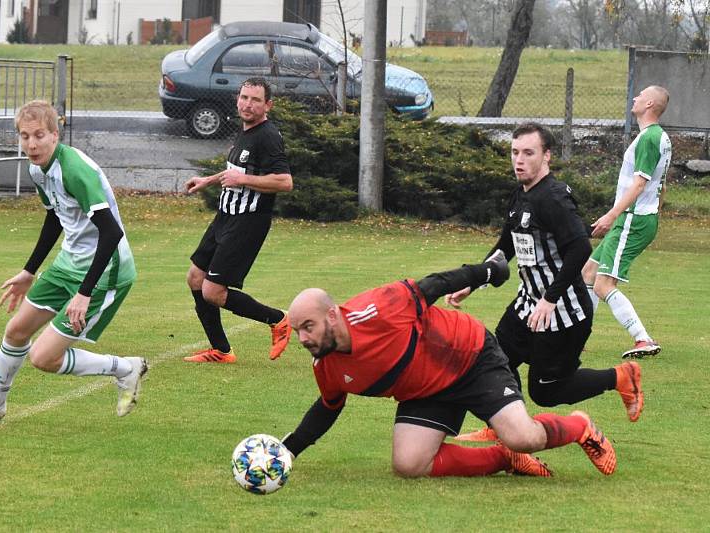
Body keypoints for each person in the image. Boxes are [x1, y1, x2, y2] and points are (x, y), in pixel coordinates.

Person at [281, 256, 618, 478]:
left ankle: (578, 427)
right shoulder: (325, 365)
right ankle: (504, 459)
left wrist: (491, 272)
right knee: (409, 466)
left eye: (307, 326)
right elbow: (328, 407)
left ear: (332, 315)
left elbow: (435, 284)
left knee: (522, 436)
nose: (302, 338)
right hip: (427, 390)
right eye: (298, 330)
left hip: (469, 356)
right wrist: (287, 451)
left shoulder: (378, 308)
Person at [0, 100, 146, 420]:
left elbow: (111, 233)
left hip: (106, 270)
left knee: (43, 358)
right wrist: (28, 271)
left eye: (39, 135)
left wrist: (84, 293)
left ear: (55, 135)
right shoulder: (37, 168)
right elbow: (55, 218)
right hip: (69, 262)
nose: (31, 144)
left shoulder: (75, 170)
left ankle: (126, 368)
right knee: (17, 330)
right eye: (24, 136)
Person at [445, 123, 643, 424]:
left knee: (546, 392)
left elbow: (580, 249)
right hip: (528, 305)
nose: (519, 160)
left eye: (528, 153)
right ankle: (511, 429)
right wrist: (473, 283)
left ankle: (620, 377)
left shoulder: (553, 199)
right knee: (496, 363)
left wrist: (550, 299)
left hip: (563, 311)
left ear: (546, 156)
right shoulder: (521, 195)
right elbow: (506, 245)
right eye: (514, 152)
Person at [182, 78, 293, 363]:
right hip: (225, 217)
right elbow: (234, 171)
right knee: (195, 277)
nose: (247, 104)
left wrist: (242, 179)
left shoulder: (268, 136)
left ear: (268, 105)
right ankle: (221, 350)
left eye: (255, 100)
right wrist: (208, 180)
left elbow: (284, 182)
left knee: (213, 292)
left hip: (248, 222)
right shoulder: (245, 131)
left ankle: (278, 320)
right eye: (244, 97)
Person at [582, 85, 672, 359]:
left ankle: (642, 339)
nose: (634, 98)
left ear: (649, 105)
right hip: (635, 218)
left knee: (603, 284)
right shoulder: (658, 137)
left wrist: (612, 216)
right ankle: (575, 337)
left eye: (640, 95)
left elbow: (640, 185)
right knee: (588, 272)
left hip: (632, 219)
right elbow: (662, 186)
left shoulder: (649, 138)